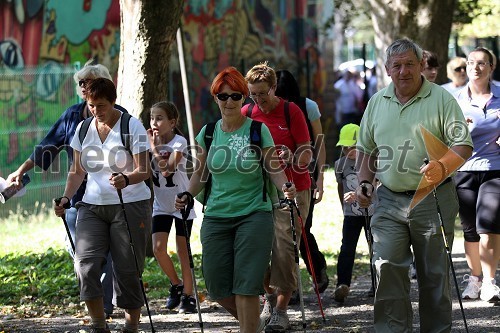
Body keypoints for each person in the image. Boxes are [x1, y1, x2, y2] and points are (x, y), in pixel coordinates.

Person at [355, 38, 473, 332]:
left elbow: (463, 144)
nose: (404, 71)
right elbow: (366, 150)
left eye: (410, 64)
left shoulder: (441, 99)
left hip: (432, 198)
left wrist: (441, 166)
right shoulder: (377, 102)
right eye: (397, 65)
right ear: (387, 69)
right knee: (386, 268)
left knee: (433, 275)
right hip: (389, 200)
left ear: (422, 65)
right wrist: (365, 183)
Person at [175, 66, 296, 333]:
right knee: (217, 287)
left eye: (236, 96)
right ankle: (254, 323)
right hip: (217, 216)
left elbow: (273, 167)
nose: (229, 101)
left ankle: (249, 327)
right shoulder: (207, 133)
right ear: (215, 98)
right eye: (223, 96)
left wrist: (285, 185)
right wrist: (187, 194)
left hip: (254, 215)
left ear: (244, 98)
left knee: (246, 287)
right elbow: (200, 175)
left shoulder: (256, 130)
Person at [6, 63, 126, 318]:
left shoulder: (120, 116)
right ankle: (97, 302)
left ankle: (103, 307)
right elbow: (47, 145)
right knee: (82, 255)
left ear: (104, 85)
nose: (84, 87)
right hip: (77, 196)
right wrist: (21, 170)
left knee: (107, 254)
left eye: (89, 82)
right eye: (81, 83)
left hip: (112, 196)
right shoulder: (72, 115)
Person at [53, 78, 152, 333]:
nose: (97, 111)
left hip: (129, 203)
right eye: (92, 105)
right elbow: (77, 171)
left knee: (128, 267)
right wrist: (66, 198)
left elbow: (145, 170)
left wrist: (126, 178)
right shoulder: (84, 128)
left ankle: (131, 325)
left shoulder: (132, 126)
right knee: (84, 263)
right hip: (92, 204)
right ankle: (98, 325)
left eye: (102, 105)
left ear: (113, 101)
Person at [243, 62, 312, 332]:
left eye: (262, 93)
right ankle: (269, 299)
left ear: (273, 88)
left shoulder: (290, 110)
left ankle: (282, 309)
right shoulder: (247, 112)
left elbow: (307, 152)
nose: (258, 100)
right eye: (253, 94)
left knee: (284, 249)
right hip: (258, 191)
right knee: (256, 248)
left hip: (294, 188)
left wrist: (292, 157)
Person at [274, 69, 329, 294]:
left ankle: (317, 269)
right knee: (282, 233)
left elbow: (319, 141)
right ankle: (289, 287)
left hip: (304, 171)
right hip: (276, 175)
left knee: (302, 227)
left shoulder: (307, 106)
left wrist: (321, 176)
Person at [455, 47, 500, 302]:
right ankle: (475, 278)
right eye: (471, 62)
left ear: (490, 68)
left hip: (495, 168)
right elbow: (445, 135)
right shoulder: (456, 99)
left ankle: (490, 283)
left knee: (489, 224)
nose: (475, 67)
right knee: (470, 230)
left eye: (482, 63)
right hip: (464, 169)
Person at [147, 101, 197, 313]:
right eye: (152, 118)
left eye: (159, 118)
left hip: (180, 204)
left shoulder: (180, 142)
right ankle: (176, 285)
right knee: (158, 249)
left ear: (172, 122)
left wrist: (153, 148)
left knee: (182, 252)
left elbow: (167, 170)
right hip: (161, 205)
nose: (154, 122)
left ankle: (189, 295)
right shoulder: (147, 142)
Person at [333, 123, 375, 303]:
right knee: (347, 248)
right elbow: (340, 187)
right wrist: (343, 204)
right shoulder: (340, 164)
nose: (348, 150)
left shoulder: (371, 161)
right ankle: (342, 284)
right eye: (344, 147)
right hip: (351, 214)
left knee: (374, 247)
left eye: (352, 146)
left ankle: (377, 283)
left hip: (372, 212)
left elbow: (378, 183)